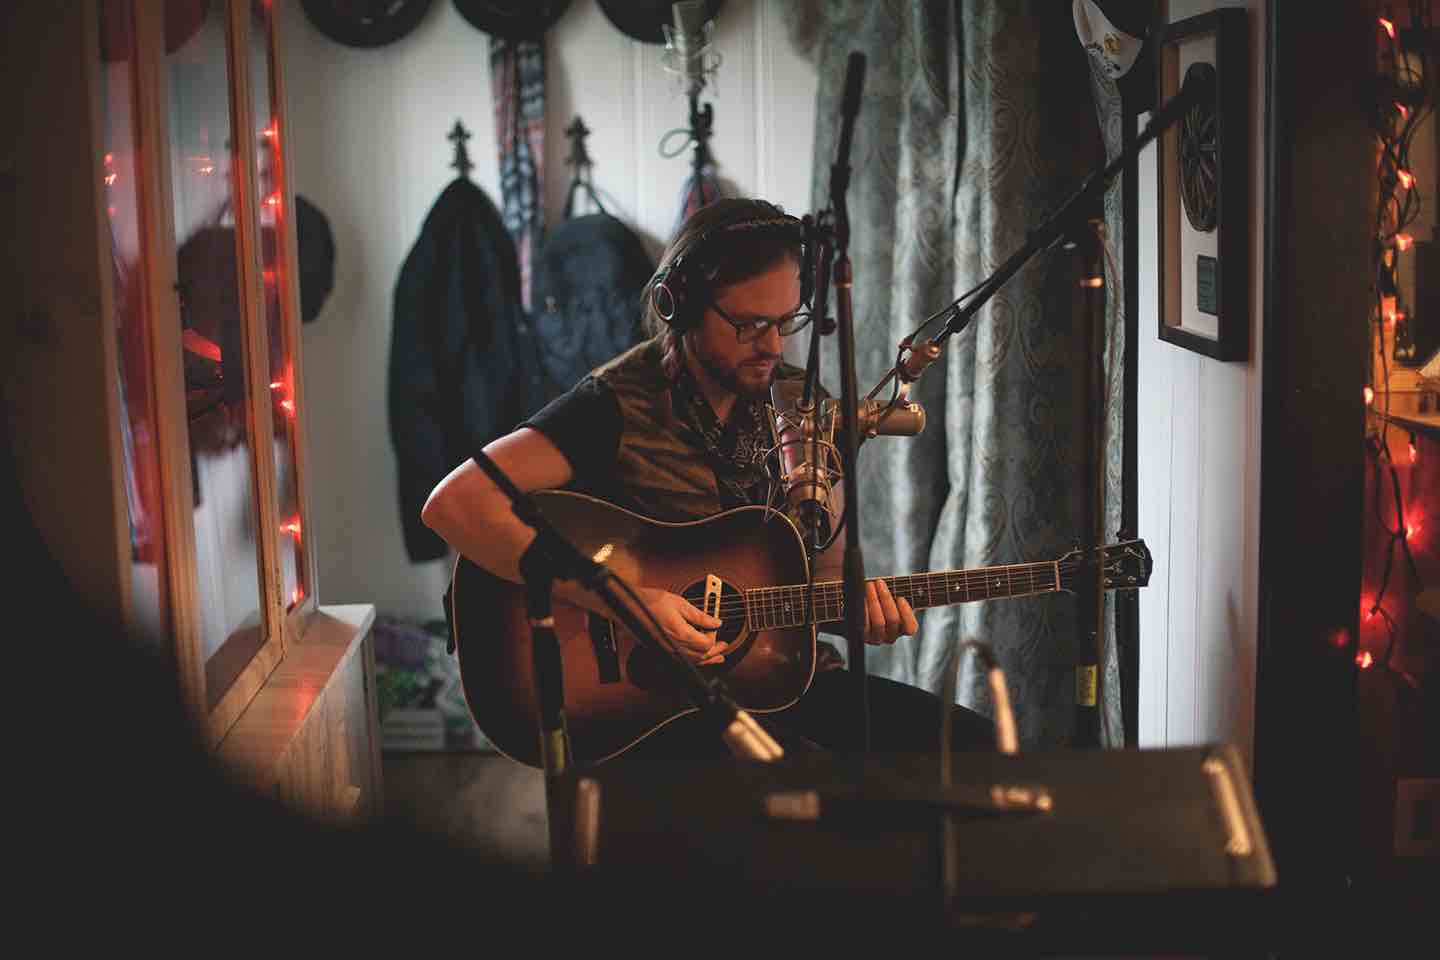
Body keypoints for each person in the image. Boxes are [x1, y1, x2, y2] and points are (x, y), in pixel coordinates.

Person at [421, 197, 994, 769]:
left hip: (785, 679)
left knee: (973, 748)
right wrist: (628, 601)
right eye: (747, 325)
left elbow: (822, 570)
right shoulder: (615, 405)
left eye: (785, 321)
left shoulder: (804, 404)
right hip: (655, 702)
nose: (771, 346)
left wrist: (861, 613)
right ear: (681, 306)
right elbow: (456, 505)